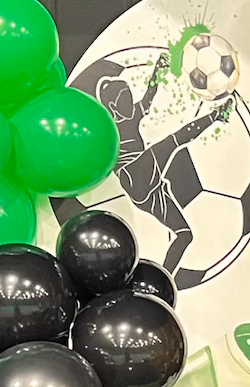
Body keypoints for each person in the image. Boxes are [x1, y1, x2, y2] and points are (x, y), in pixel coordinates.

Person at [97, 51, 231, 274]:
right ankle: (217, 115)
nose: (130, 103)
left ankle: (163, 277)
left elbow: (149, 95)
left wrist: (159, 69)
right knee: (172, 141)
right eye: (124, 100)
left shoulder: (133, 115)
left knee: (185, 234)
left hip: (150, 190)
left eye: (129, 97)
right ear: (112, 106)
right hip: (132, 175)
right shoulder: (108, 129)